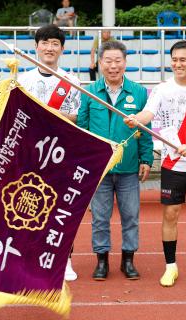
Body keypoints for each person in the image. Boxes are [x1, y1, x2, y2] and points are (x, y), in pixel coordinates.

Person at [124, 40, 186, 287]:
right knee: (171, 213)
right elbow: (149, 114)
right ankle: (170, 266)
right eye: (174, 59)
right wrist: (137, 119)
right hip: (173, 163)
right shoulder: (162, 89)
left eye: (183, 60)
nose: (177, 64)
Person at [77, 40, 154, 281]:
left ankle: (128, 260)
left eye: (117, 61)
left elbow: (145, 128)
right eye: (108, 61)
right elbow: (82, 129)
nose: (113, 66)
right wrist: (86, 161)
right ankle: (102, 261)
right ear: (100, 63)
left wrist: (146, 158)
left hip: (129, 168)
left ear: (125, 63)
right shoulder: (90, 92)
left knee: (130, 215)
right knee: (100, 217)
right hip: (100, 168)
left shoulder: (138, 92)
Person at [18, 24, 81, 281]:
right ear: (36, 47)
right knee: (27, 206)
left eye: (55, 43)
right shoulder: (22, 80)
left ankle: (63, 259)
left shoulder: (72, 81)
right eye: (45, 43)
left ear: (62, 49)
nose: (49, 48)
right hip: (29, 155)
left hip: (60, 155)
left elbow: (75, 117)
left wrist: (45, 114)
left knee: (61, 211)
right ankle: (28, 258)